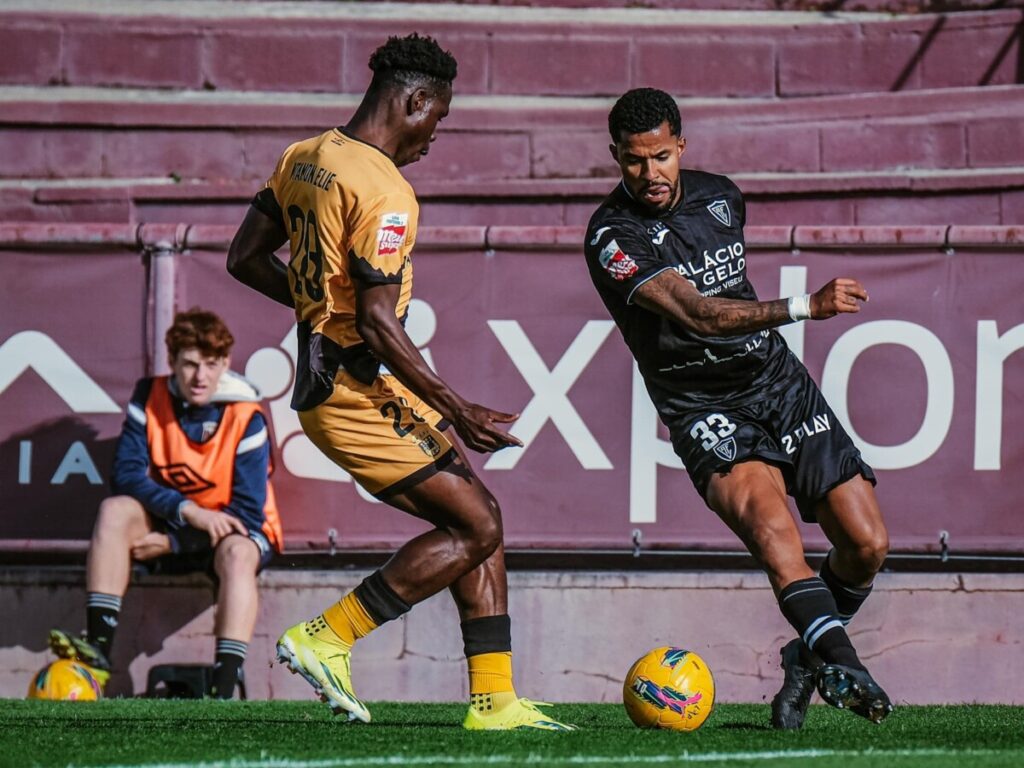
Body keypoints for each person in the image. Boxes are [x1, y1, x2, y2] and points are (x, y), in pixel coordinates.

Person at [226, 33, 572, 731]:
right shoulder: (386, 191)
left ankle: (494, 699)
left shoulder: (306, 156)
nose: (434, 136)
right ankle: (328, 637)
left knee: (477, 519)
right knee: (479, 523)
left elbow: (245, 257)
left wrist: (321, 312)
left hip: (346, 379)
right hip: (353, 393)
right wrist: (458, 404)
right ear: (414, 100)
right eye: (437, 118)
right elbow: (382, 322)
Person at [583, 88, 893, 728]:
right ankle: (843, 660)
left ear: (682, 147)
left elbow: (730, 295)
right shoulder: (611, 237)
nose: (651, 175)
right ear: (615, 156)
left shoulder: (721, 196)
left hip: (777, 381)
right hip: (702, 405)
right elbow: (698, 313)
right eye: (635, 162)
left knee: (866, 544)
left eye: (662, 157)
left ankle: (808, 655)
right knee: (774, 533)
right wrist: (804, 306)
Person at [49, 308, 283, 699]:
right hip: (176, 523)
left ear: (225, 363)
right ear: (172, 361)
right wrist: (185, 512)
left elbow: (245, 514)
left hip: (235, 533)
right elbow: (125, 475)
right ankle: (96, 662)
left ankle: (223, 690)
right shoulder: (150, 394)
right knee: (114, 511)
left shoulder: (247, 415)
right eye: (189, 364)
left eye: (211, 365)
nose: (200, 377)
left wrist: (174, 543)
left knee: (240, 553)